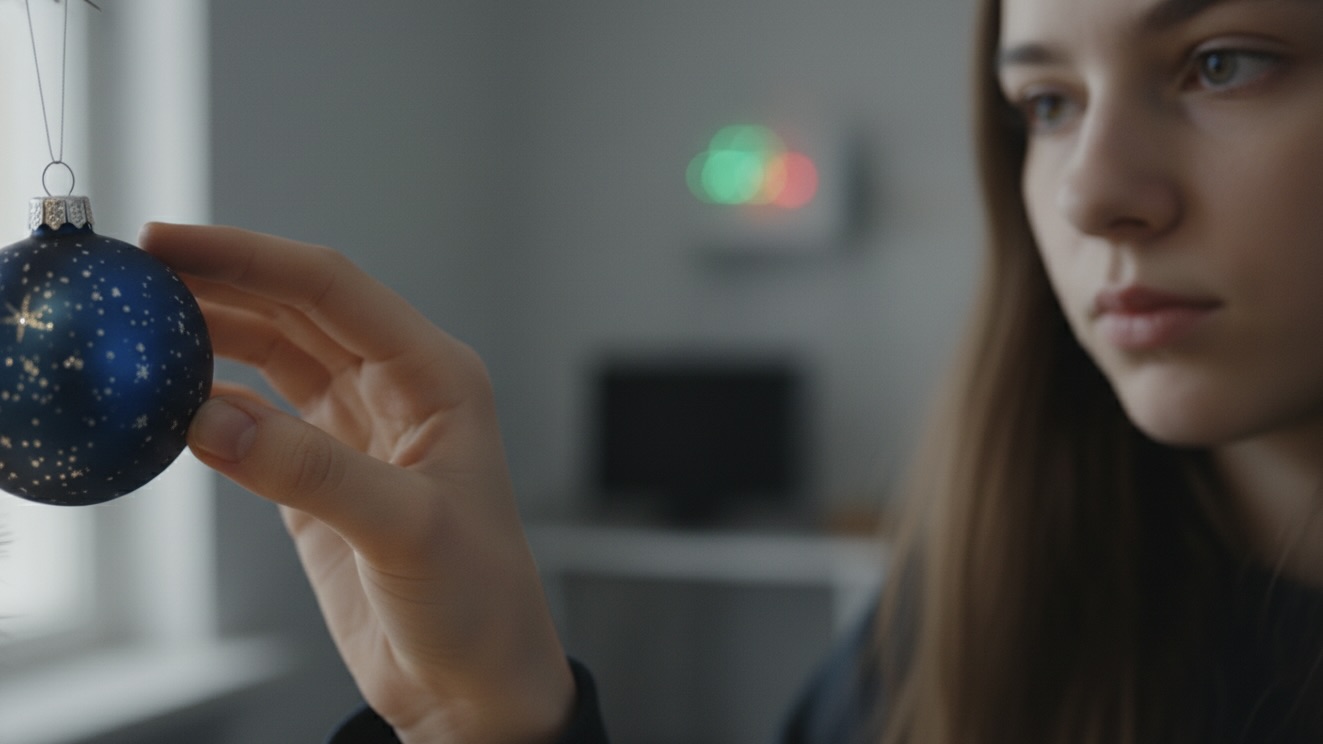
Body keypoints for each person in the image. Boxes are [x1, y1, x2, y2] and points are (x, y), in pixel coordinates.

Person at [138, 0, 1323, 741]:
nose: (1092, 192)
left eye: (1225, 63)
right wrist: (489, 716)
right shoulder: (964, 622)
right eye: (1047, 102)